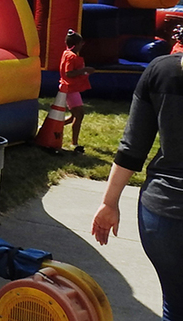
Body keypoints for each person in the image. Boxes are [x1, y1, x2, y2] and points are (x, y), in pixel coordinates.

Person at [91, 52, 183, 320]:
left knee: (176, 306)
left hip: (164, 215)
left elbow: (132, 148)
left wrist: (109, 202)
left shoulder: (161, 70)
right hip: (164, 214)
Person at [57, 30, 96, 154]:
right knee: (79, 115)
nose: (82, 45)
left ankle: (53, 127)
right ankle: (74, 143)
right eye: (81, 43)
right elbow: (69, 73)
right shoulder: (71, 56)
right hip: (70, 89)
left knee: (75, 115)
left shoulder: (67, 53)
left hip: (72, 89)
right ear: (77, 44)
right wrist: (84, 70)